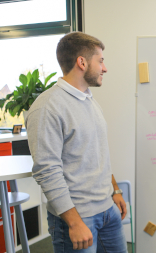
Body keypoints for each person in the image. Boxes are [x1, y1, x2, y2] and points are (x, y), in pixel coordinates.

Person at [26, 32, 128, 253]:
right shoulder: (47, 107)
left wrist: (115, 191)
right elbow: (46, 170)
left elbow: (97, 153)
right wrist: (73, 222)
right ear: (81, 62)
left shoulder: (89, 100)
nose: (105, 67)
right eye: (100, 60)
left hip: (107, 210)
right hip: (77, 216)